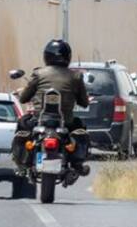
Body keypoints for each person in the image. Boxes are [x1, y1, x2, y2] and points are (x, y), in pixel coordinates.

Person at [12, 38, 90, 169]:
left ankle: (22, 161)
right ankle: (77, 164)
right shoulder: (76, 77)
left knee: (22, 123)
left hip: (39, 120)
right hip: (66, 121)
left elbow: (23, 98)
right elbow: (84, 103)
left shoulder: (38, 74)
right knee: (81, 129)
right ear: (68, 56)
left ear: (46, 56)